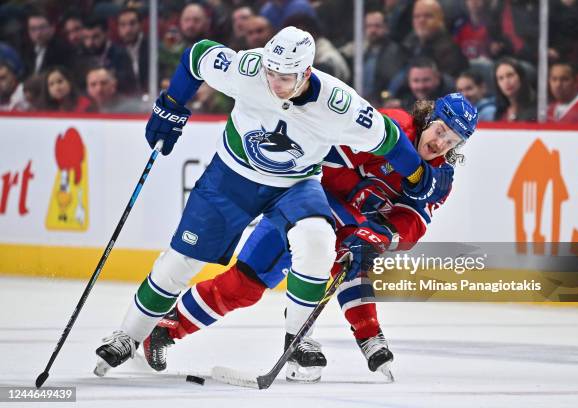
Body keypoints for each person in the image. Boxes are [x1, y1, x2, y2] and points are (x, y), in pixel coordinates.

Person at [94, 26, 456, 381]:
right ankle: (128, 335)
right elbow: (197, 55)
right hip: (231, 178)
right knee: (182, 262)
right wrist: (171, 104)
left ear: (306, 72)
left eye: (285, 77)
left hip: (295, 185)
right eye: (271, 71)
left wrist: (417, 176)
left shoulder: (337, 103)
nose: (274, 82)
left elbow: (389, 139)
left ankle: (298, 338)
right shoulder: (249, 69)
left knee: (317, 240)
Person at [141, 93, 477, 381]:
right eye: (440, 130)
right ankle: (167, 327)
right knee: (245, 285)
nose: (440, 143)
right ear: (428, 117)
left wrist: (383, 233)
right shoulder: (392, 128)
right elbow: (325, 156)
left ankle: (351, 334)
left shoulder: (440, 177)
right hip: (303, 197)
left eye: (452, 140)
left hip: (342, 220)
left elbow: (412, 222)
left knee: (352, 252)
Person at [493, 57, 536, 122]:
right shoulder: (499, 112)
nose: (506, 82)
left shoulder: (536, 108)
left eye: (510, 75)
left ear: (521, 77)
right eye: (501, 78)